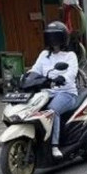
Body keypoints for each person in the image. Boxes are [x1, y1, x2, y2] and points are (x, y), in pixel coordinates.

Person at [30, 21, 79, 159]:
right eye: (50, 37)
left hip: (66, 93)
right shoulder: (44, 54)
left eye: (55, 36)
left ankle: (54, 146)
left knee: (52, 111)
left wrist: (62, 78)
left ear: (63, 38)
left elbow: (71, 73)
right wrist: (25, 77)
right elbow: (35, 70)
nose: (52, 40)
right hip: (47, 92)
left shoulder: (70, 55)